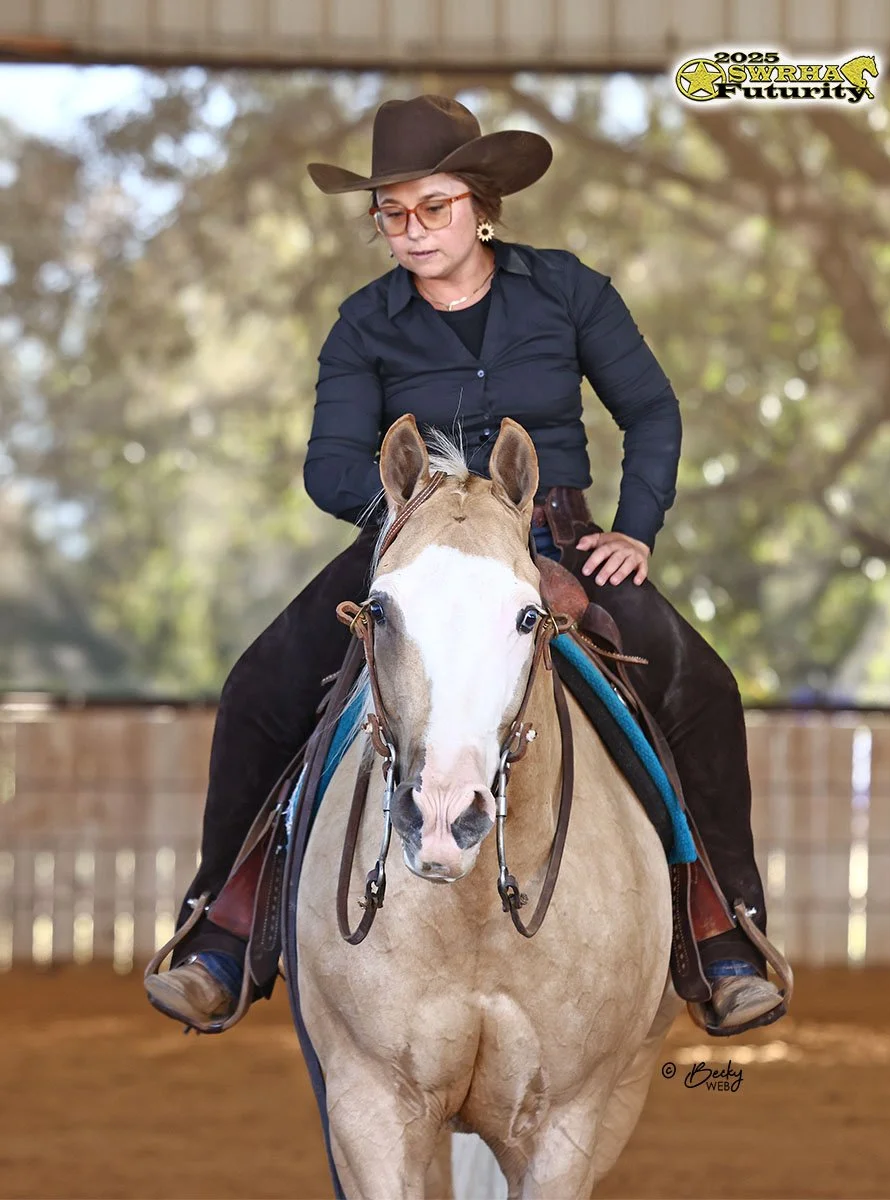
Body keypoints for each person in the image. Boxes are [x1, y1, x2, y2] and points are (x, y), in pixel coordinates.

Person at [145, 94, 787, 1035]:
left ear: (480, 204)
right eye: (392, 214)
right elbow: (329, 465)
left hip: (554, 539)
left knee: (704, 689)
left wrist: (636, 531)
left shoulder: (569, 291)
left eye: (432, 208)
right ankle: (224, 931)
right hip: (413, 545)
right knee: (259, 688)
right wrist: (414, 522)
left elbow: (651, 412)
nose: (412, 231)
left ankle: (721, 934)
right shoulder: (363, 323)